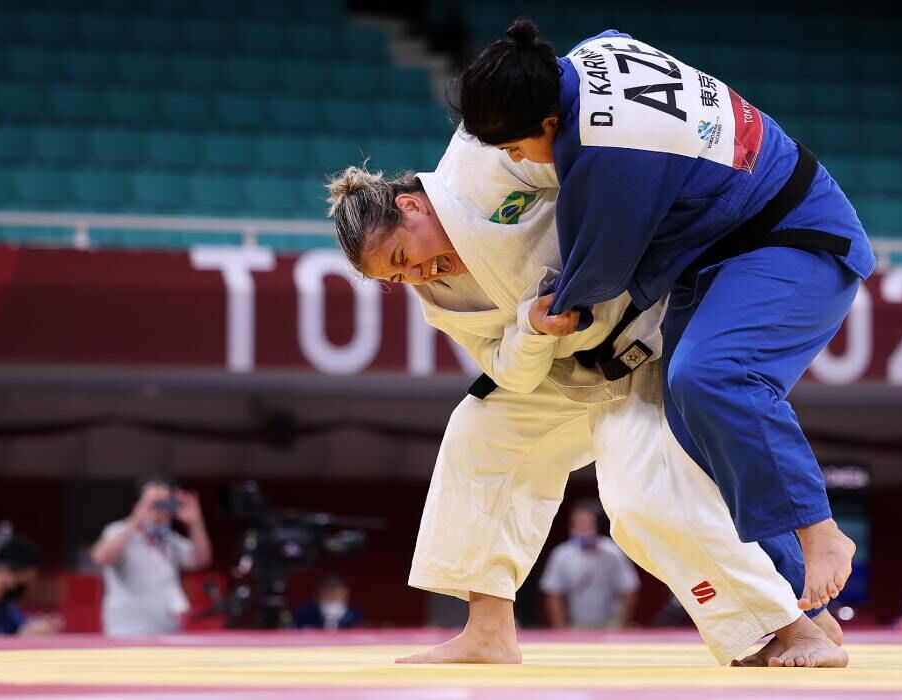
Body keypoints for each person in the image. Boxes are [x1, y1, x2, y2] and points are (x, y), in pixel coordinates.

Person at [325, 130, 846, 667]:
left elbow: (595, 166)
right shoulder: (438, 295)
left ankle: (791, 627)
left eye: (403, 256)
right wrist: (530, 329)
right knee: (477, 434)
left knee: (638, 498)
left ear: (410, 206)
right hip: (563, 369)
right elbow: (505, 369)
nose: (416, 276)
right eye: (397, 278)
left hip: (643, 342)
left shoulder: (482, 166)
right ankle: (488, 632)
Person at [455, 19, 873, 614]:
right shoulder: (590, 55)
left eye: (516, 148)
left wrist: (536, 318)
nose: (518, 161)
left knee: (710, 376)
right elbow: (618, 37)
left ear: (550, 121)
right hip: (722, 252)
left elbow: (591, 281)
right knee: (689, 428)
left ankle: (819, 531)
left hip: (795, 239)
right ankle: (797, 605)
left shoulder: (604, 150)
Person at [90, 474, 212, 636]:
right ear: (139, 503)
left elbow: (201, 559)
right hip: (126, 633)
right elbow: (101, 557)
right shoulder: (119, 531)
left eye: (165, 502)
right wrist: (135, 520)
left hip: (168, 632)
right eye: (154, 502)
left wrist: (196, 522)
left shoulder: (169, 541)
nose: (159, 510)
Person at [540, 500, 639, 629]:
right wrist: (561, 629)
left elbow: (629, 590)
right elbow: (553, 594)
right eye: (578, 523)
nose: (582, 528)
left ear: (597, 525)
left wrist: (621, 626)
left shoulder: (613, 553)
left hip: (610, 625)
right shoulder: (561, 555)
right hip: (576, 625)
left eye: (587, 523)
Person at [0, 535, 62, 635]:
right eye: (24, 580)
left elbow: (20, 629)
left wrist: (37, 627)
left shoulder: (7, 604)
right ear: (4, 569)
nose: (25, 586)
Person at [293, 575, 363, 630]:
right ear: (319, 593)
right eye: (327, 592)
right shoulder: (306, 612)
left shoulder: (354, 614)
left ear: (345, 592)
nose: (331, 596)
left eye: (335, 593)